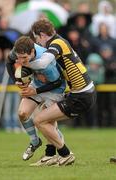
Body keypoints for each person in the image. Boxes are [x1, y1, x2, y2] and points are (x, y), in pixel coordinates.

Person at [20, 19, 96, 166]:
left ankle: (65, 154)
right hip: (81, 93)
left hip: (81, 96)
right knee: (45, 113)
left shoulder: (57, 43)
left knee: (39, 120)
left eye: (36, 38)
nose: (37, 42)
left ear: (42, 35)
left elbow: (43, 63)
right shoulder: (60, 41)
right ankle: (49, 156)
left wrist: (24, 63)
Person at [6, 36, 67, 162]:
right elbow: (8, 61)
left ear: (33, 52)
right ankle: (35, 142)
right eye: (19, 57)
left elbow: (57, 82)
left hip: (55, 89)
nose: (21, 61)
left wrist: (35, 91)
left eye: (24, 58)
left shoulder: (46, 62)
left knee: (43, 120)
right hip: (37, 85)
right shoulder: (19, 50)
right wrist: (15, 81)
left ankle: (64, 153)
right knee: (22, 113)